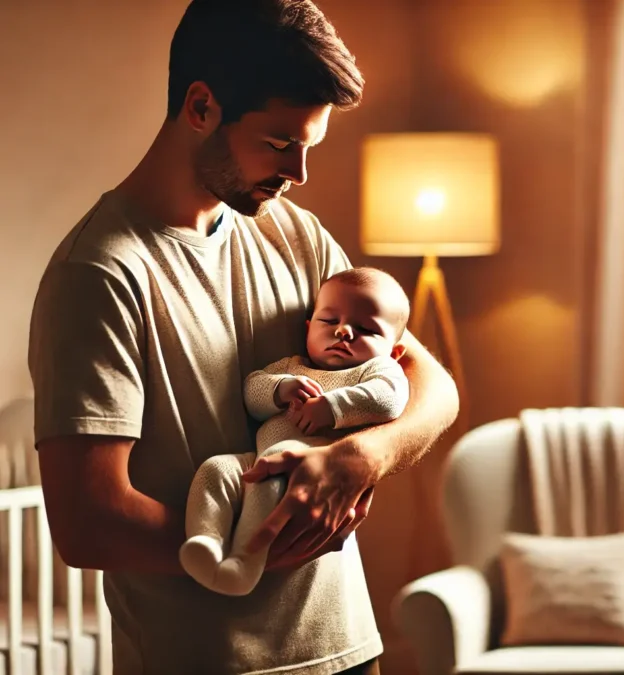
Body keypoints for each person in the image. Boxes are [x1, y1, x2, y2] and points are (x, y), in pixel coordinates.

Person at [26, 0, 459, 673]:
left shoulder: (294, 231)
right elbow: (87, 521)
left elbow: (433, 384)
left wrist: (362, 459)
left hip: (350, 650)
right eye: (282, 142)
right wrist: (259, 544)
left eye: (309, 145)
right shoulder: (99, 274)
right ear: (201, 107)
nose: (300, 172)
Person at [182, 267, 411, 597]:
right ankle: (206, 542)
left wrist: (332, 407)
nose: (343, 331)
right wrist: (279, 390)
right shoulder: (293, 366)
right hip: (258, 461)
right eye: (329, 321)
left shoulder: (377, 369)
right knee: (216, 469)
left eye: (365, 329)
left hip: (306, 476)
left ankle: (244, 563)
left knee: (275, 458)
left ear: (394, 351)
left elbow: (389, 398)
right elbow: (251, 391)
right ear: (308, 327)